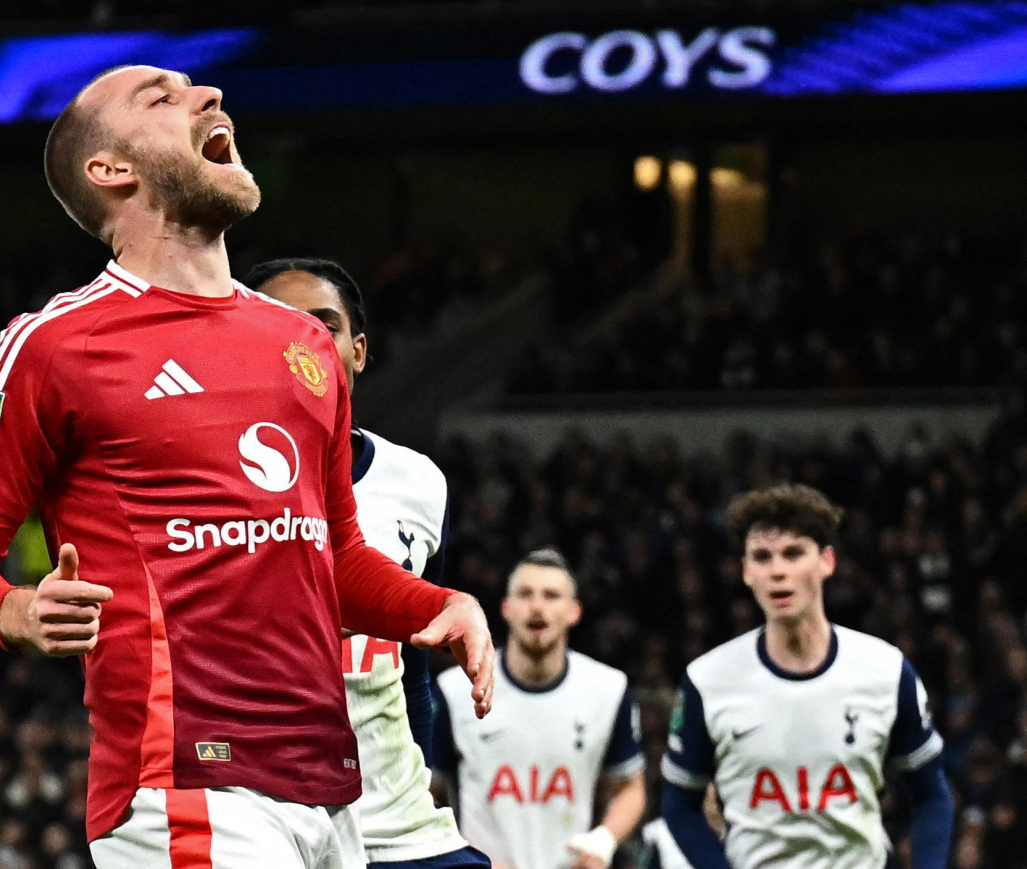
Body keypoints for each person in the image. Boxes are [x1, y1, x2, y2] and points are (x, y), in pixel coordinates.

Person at [0, 64, 494, 869]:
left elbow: (333, 557)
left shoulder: (301, 348)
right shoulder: (50, 347)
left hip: (330, 790)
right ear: (110, 169)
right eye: (162, 98)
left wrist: (435, 605)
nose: (208, 97)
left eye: (199, 89)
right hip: (185, 783)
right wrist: (18, 610)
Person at [243, 257, 490, 869]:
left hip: (397, 819)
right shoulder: (211, 481)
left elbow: (413, 659)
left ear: (357, 351)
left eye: (322, 326)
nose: (302, 343)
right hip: (267, 811)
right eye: (279, 326)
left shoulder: (419, 482)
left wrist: (421, 776)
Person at [661, 483, 954, 868]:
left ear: (826, 562)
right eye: (762, 558)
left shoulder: (885, 671)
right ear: (746, 572)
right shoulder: (708, 681)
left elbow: (932, 795)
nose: (778, 571)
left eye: (793, 554)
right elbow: (680, 805)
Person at [434, 548, 646, 869]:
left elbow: (631, 787)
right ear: (505, 608)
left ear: (575, 611)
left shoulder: (607, 689)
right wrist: (465, 856)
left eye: (551, 596)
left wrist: (603, 840)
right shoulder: (456, 690)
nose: (537, 607)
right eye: (525, 594)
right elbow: (426, 795)